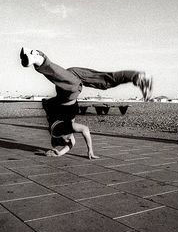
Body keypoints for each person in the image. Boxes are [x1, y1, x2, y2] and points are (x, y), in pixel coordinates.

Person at [20, 47, 153, 156]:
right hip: (72, 74)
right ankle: (138, 77)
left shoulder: (60, 129)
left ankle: (39, 59)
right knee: (104, 81)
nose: (71, 139)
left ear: (61, 136)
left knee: (74, 85)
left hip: (68, 93)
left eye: (67, 139)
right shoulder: (61, 133)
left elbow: (85, 129)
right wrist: (59, 153)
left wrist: (90, 150)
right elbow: (70, 145)